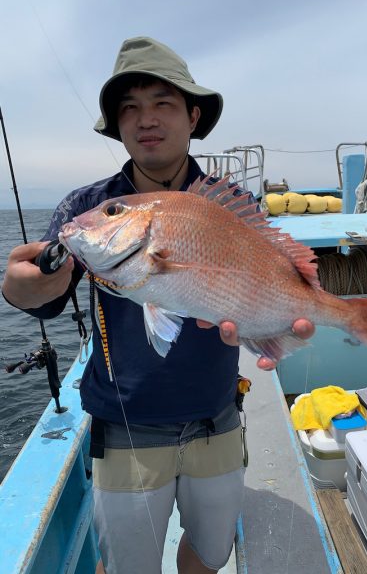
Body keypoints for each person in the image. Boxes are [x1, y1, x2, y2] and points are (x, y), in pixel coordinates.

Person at [2, 37, 315, 574]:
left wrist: (289, 318)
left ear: (193, 115)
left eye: (162, 104)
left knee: (212, 553)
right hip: (127, 427)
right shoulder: (89, 208)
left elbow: (274, 278)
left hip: (217, 415)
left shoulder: (233, 205)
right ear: (118, 127)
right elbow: (40, 296)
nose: (145, 119)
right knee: (126, 564)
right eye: (130, 109)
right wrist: (23, 286)